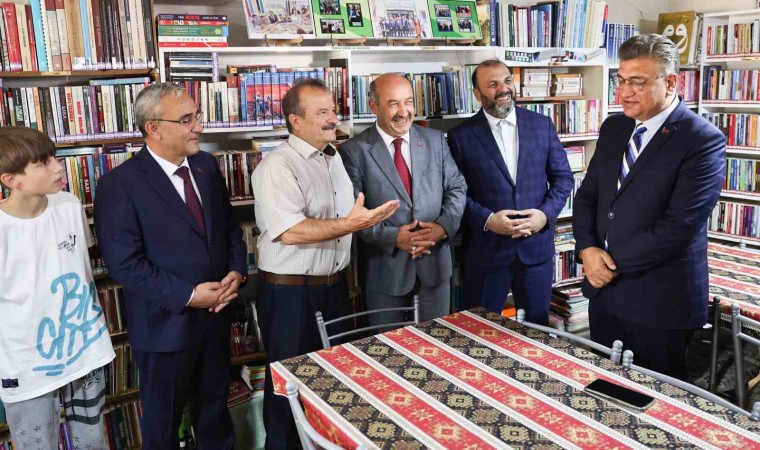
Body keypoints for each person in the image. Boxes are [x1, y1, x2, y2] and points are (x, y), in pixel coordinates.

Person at [94, 83, 247, 449]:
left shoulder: (206, 166)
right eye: (186, 120)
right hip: (165, 329)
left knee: (215, 417)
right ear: (154, 128)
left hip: (216, 318)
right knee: (163, 428)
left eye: (197, 116)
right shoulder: (119, 185)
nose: (199, 127)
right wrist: (189, 295)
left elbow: (229, 229)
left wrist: (237, 271)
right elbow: (124, 264)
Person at [251, 78, 399, 449]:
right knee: (287, 386)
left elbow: (343, 220)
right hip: (290, 294)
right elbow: (290, 232)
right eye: (321, 112)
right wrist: (351, 225)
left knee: (332, 381)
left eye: (333, 110)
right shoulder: (277, 166)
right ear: (295, 121)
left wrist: (362, 224)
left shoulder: (334, 159)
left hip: (334, 288)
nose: (333, 118)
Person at [572, 34, 726, 379]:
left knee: (653, 401)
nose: (624, 93)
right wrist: (587, 249)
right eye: (621, 80)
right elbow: (588, 196)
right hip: (604, 294)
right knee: (604, 389)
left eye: (637, 82)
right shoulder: (614, 127)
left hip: (659, 301)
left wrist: (605, 264)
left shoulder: (702, 139)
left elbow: (678, 227)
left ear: (670, 82)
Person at [0, 127, 115, 449]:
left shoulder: (68, 204)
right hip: (27, 363)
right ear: (11, 179)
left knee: (93, 441)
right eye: (42, 163)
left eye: (54, 157)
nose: (57, 167)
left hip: (86, 351)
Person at [447, 59, 574, 323]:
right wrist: (488, 220)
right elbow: (454, 194)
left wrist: (544, 215)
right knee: (480, 331)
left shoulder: (542, 125)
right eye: (492, 84)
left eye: (507, 81)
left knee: (537, 331)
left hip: (535, 249)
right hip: (486, 252)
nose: (503, 89)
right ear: (477, 94)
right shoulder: (460, 136)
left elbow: (563, 178)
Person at [341, 73, 466, 326]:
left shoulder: (435, 140)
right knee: (387, 345)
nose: (403, 111)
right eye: (393, 103)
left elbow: (457, 186)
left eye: (408, 102)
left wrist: (442, 228)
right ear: (373, 106)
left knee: (437, 342)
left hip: (435, 266)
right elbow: (353, 212)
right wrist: (393, 237)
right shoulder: (353, 151)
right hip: (385, 272)